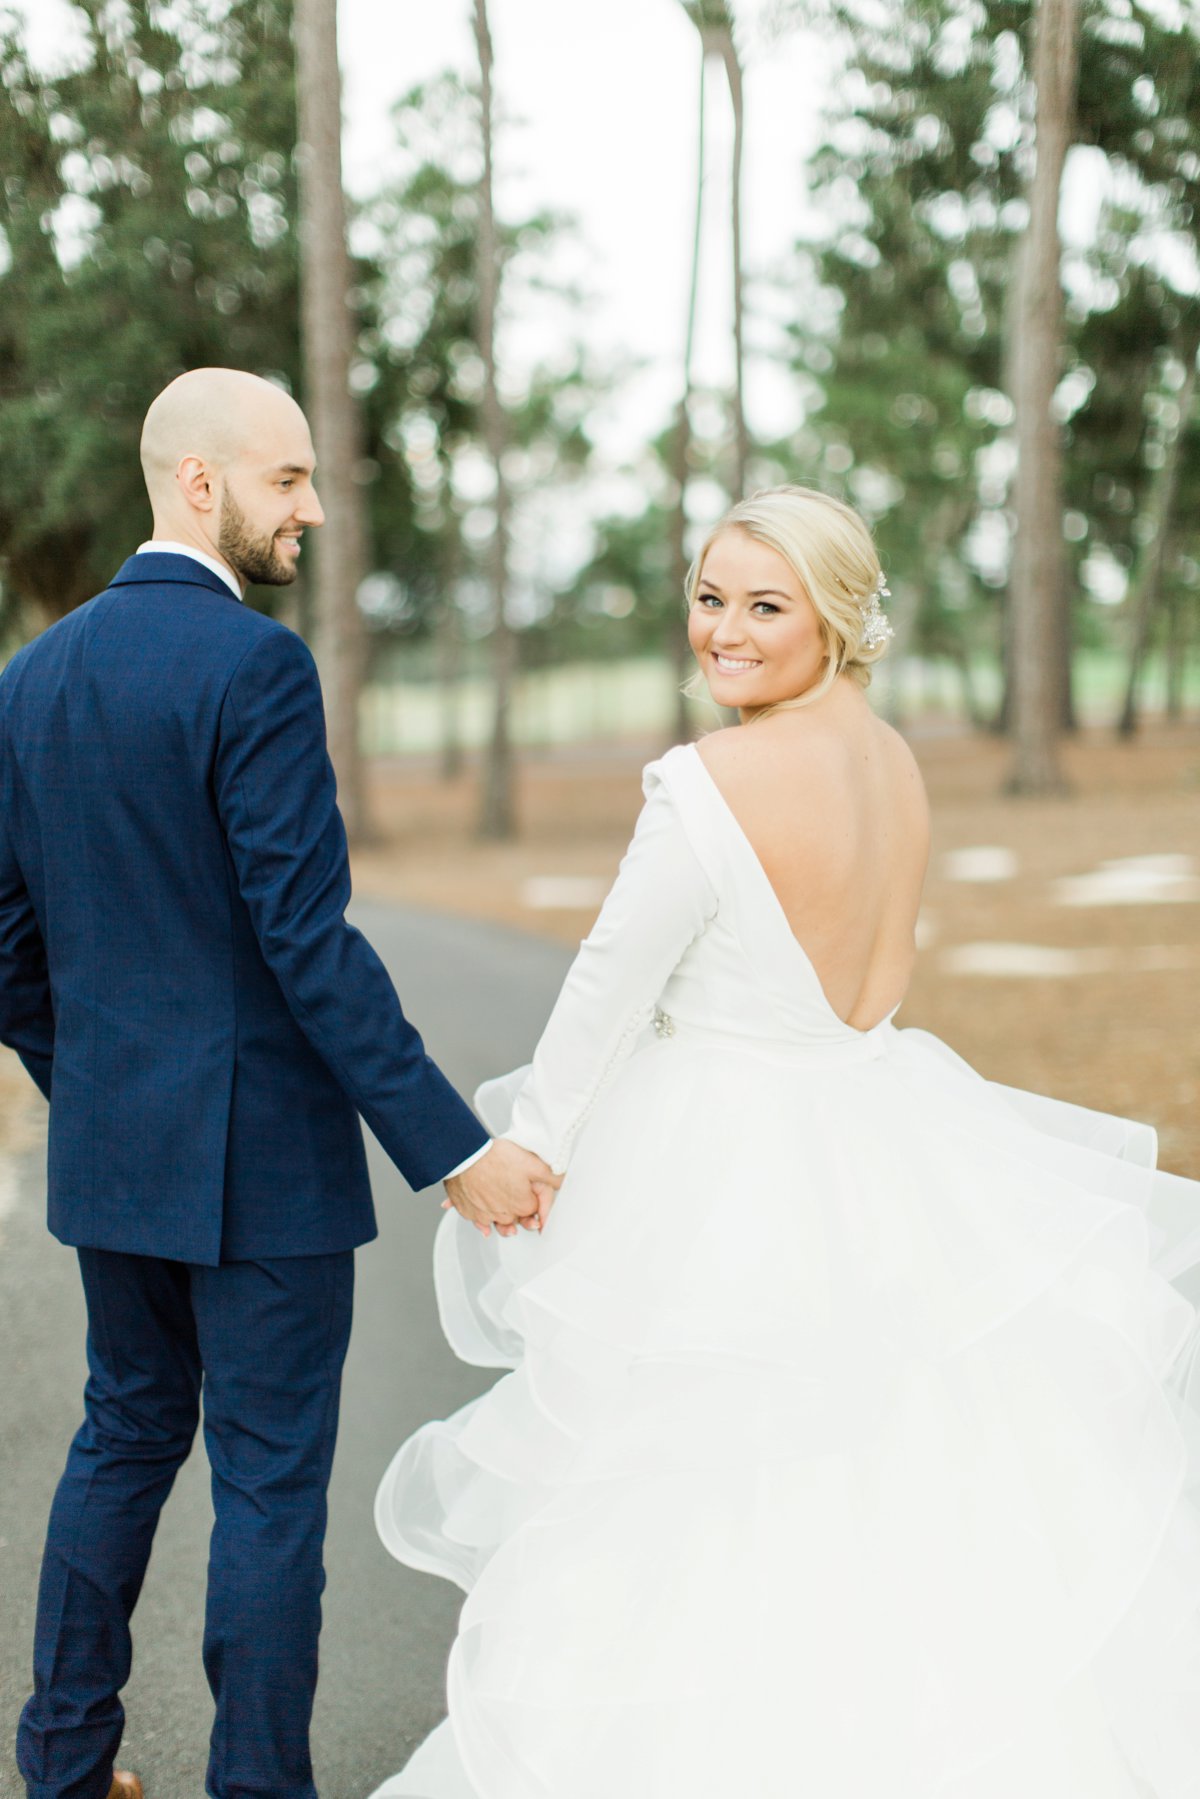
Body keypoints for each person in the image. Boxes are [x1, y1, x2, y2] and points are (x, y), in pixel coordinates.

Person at [372, 485, 1200, 1799]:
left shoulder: (711, 782)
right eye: (709, 598)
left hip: (738, 1153)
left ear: (838, 619)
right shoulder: (894, 761)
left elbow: (605, 978)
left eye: (767, 606)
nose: (725, 632)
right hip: (888, 1127)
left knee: (711, 1498)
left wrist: (534, 1142)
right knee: (911, 1489)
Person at [0, 367, 556, 1799]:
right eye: (289, 479)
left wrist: (106, 1094)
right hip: (268, 1179)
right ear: (199, 482)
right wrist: (450, 1149)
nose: (313, 508)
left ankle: (62, 1763)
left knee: (124, 1436)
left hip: (116, 1157)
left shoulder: (31, 680)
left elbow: (9, 952)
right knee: (262, 1483)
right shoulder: (254, 669)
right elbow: (307, 944)